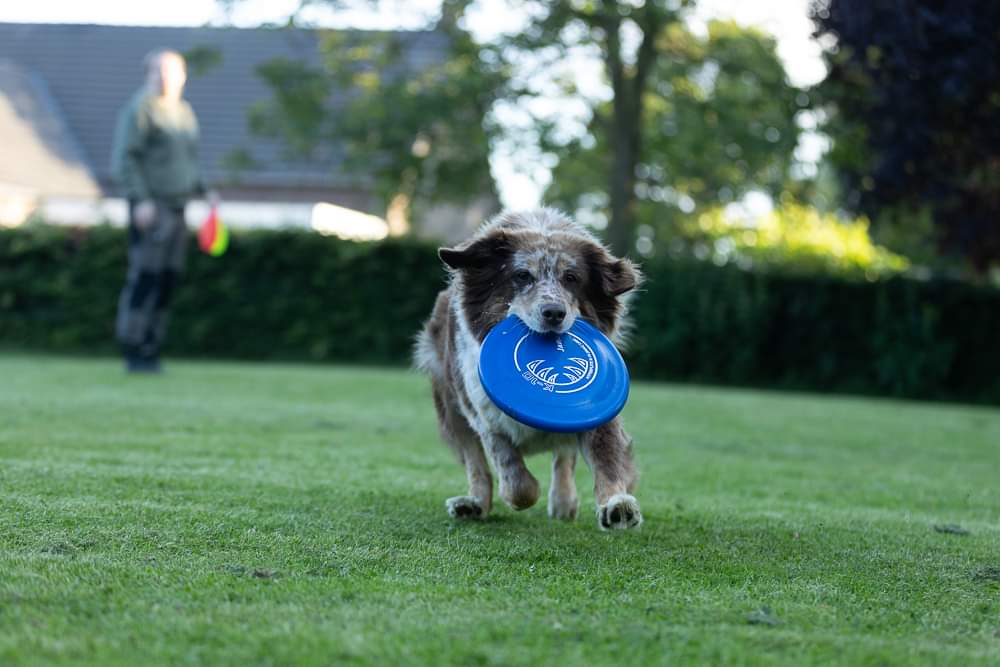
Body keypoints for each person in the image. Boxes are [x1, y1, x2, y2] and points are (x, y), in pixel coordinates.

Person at [111, 49, 214, 373]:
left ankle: (153, 347)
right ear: (148, 75)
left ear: (183, 76)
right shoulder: (141, 109)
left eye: (171, 71)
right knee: (146, 276)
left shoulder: (183, 112)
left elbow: (188, 161)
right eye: (158, 71)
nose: (165, 77)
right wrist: (140, 200)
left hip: (179, 205)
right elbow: (125, 159)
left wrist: (205, 191)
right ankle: (133, 347)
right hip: (152, 206)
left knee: (168, 279)